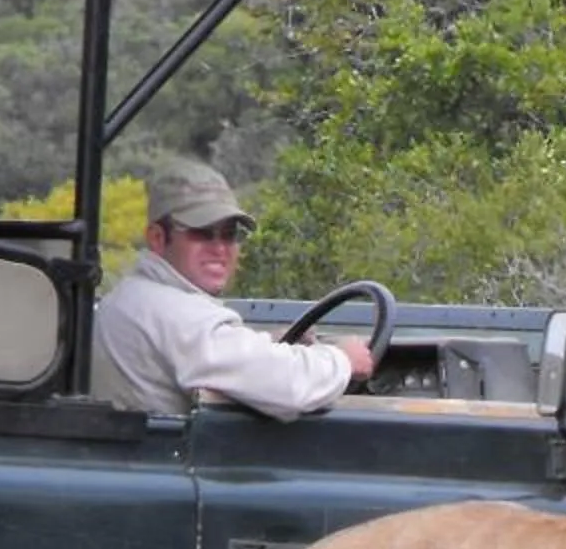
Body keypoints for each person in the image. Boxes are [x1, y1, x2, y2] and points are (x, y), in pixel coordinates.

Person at [88, 158, 371, 418]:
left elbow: (212, 350)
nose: (220, 248)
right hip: (165, 462)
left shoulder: (136, 296)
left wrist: (270, 343)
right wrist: (343, 359)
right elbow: (289, 387)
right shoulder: (176, 313)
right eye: (202, 233)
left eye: (230, 234)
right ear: (158, 238)